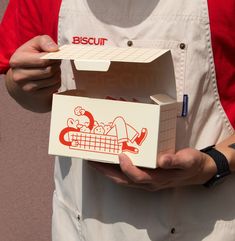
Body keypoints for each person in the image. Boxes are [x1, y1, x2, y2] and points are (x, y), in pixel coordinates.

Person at [0, 0, 235, 240]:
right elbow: (29, 95)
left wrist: (213, 163)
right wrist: (26, 85)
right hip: (78, 225)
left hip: (204, 225)